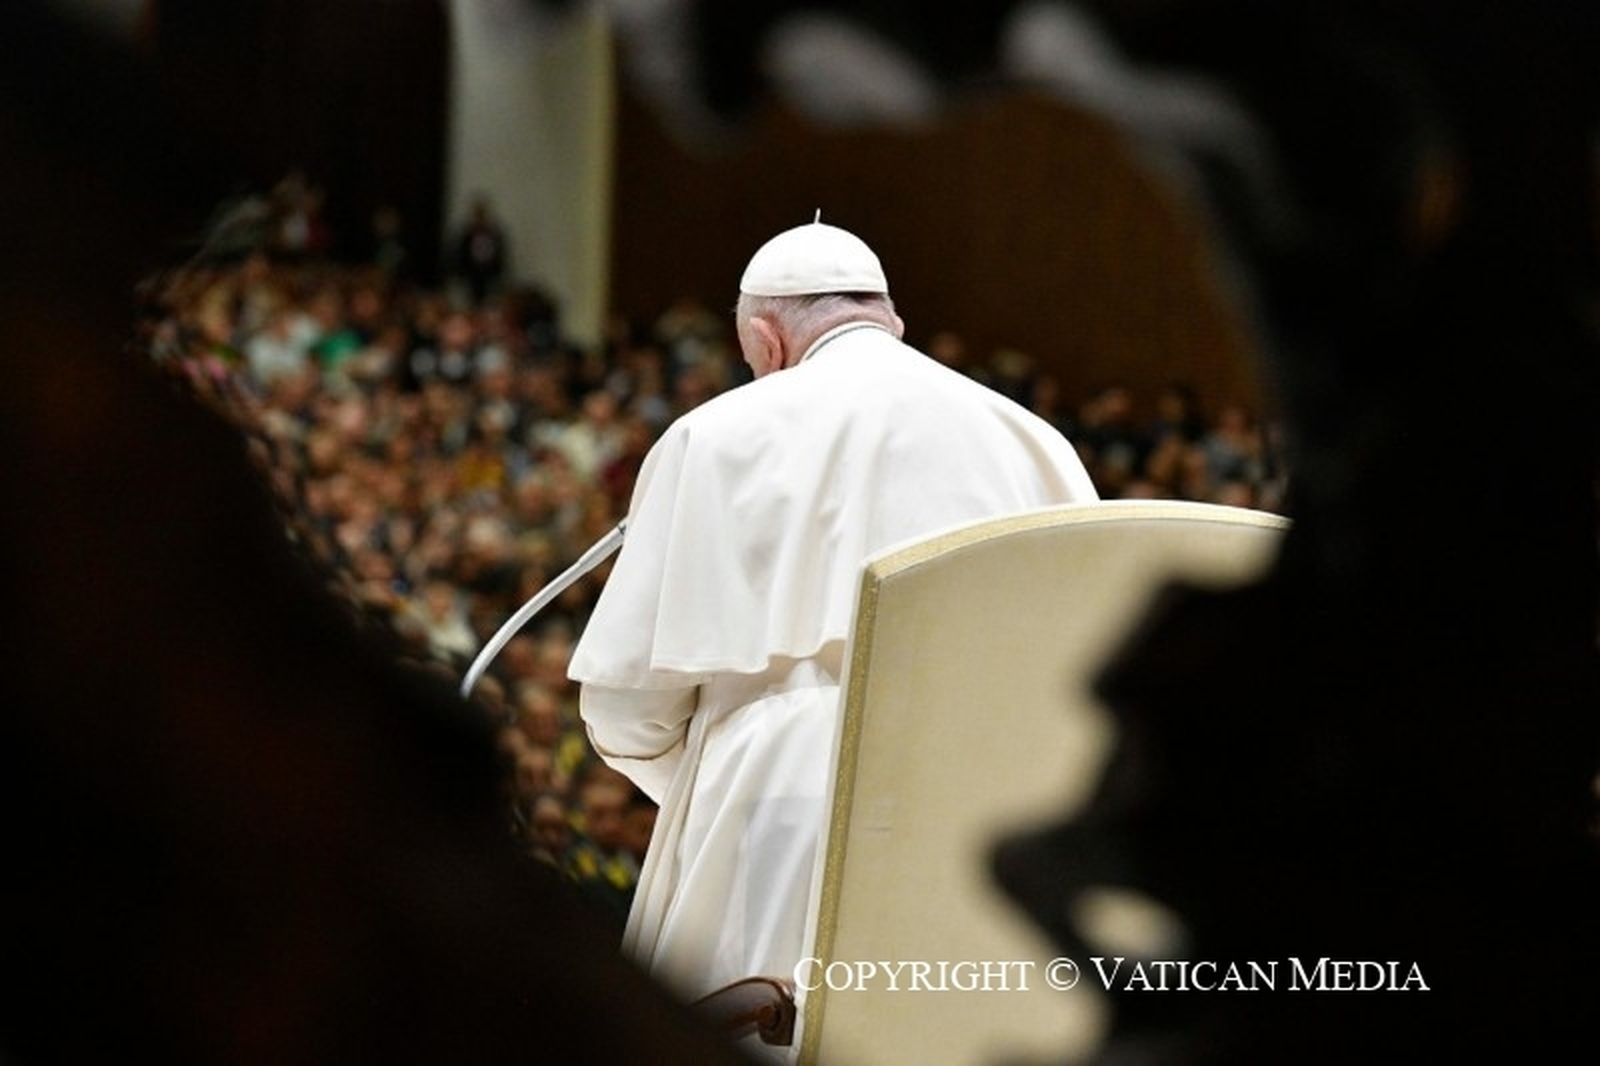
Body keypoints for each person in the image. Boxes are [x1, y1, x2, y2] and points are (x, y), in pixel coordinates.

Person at [566, 220, 1098, 1021]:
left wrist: (709, 784)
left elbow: (625, 702)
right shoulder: (1032, 440)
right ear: (892, 321)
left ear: (764, 338)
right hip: (980, 807)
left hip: (773, 797)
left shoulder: (713, 435)